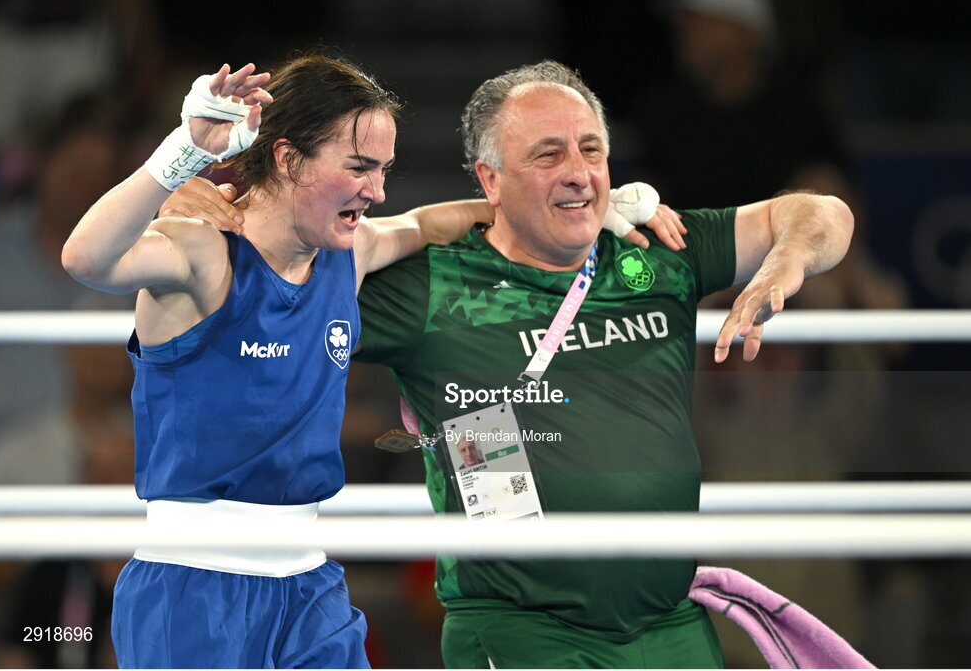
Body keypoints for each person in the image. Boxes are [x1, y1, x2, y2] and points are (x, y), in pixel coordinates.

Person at [354, 60, 853, 668]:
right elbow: (288, 277)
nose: (579, 174)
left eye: (591, 150)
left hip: (670, 625)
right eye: (547, 155)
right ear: (491, 179)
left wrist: (787, 259)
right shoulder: (430, 285)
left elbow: (824, 213)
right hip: (522, 631)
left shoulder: (657, 250)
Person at [61, 54, 494, 668]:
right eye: (360, 167)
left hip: (310, 588)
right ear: (289, 159)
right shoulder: (201, 251)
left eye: (383, 170)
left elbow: (431, 223)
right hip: (191, 589)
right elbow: (86, 258)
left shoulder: (352, 251)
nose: (377, 190)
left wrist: (585, 218)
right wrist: (184, 152)